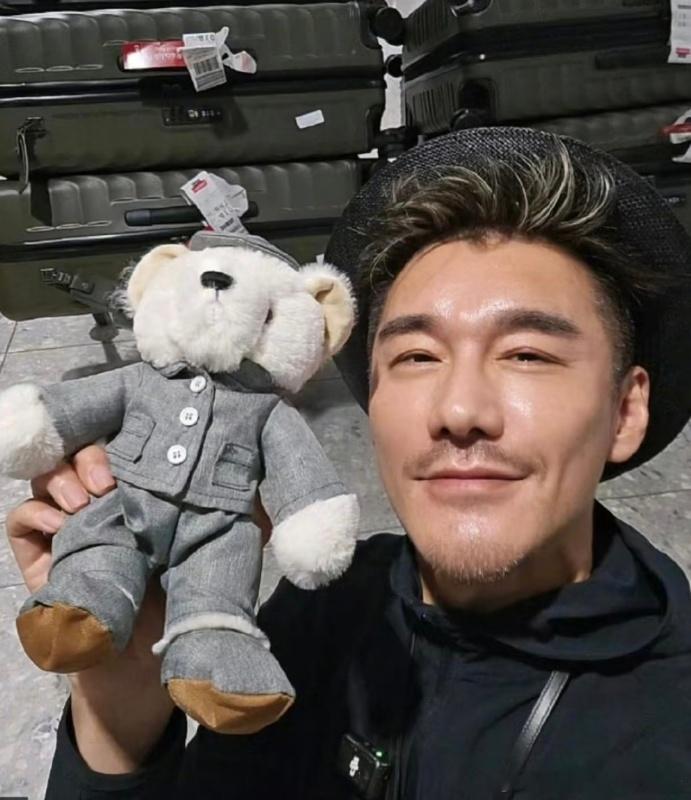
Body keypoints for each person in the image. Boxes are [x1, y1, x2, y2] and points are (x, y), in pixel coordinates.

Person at [7, 128, 691, 799]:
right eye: (416, 356)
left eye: (527, 354)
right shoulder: (326, 608)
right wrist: (118, 701)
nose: (459, 409)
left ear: (625, 411)